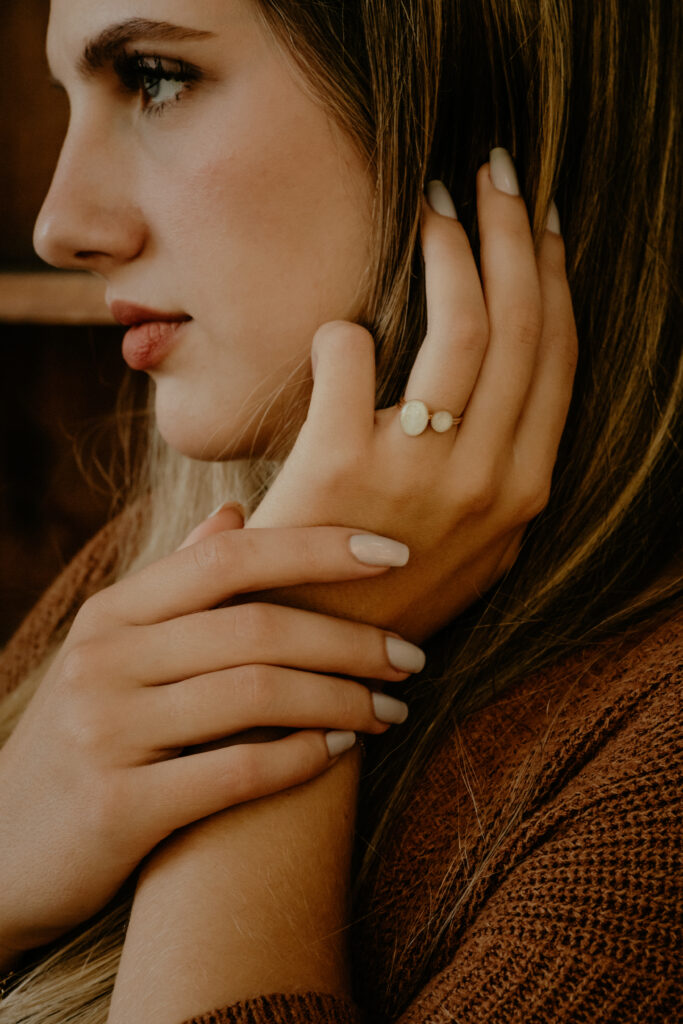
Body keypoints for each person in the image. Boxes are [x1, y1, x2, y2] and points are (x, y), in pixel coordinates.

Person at [0, 0, 680, 1021]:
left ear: (468, 93)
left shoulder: (654, 786)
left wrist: (304, 637)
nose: (61, 223)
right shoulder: (153, 571)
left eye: (152, 77)